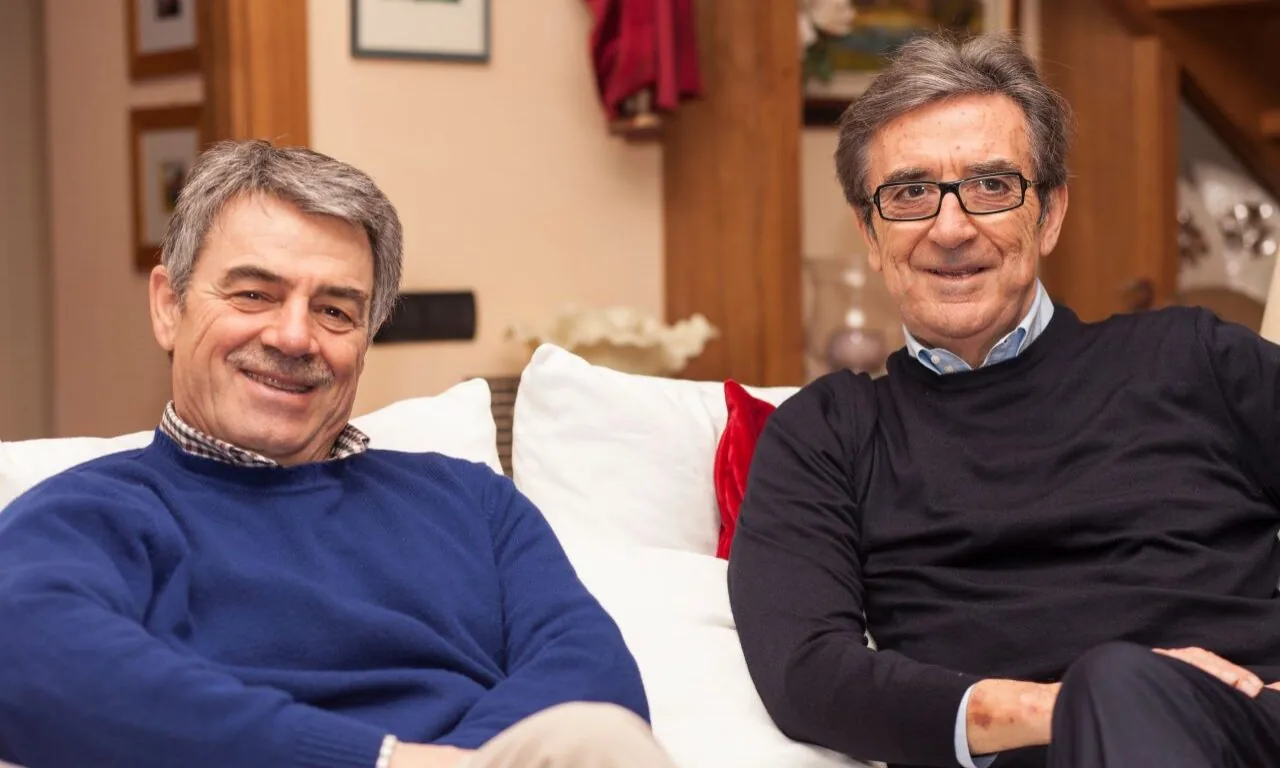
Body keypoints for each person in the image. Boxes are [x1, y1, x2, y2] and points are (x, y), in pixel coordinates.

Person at [0, 140, 677, 768]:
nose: (294, 336)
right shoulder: (88, 513)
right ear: (169, 307)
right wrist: (374, 761)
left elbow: (592, 673)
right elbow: (27, 653)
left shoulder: (473, 502)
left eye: (335, 310)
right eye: (254, 294)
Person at [727, 33, 1280, 768]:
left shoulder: (1195, 359)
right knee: (1115, 683)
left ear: (1049, 214)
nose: (951, 228)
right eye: (910, 193)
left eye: (992, 186)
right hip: (1042, 750)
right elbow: (807, 674)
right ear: (869, 230)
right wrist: (1058, 703)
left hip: (1248, 728)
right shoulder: (830, 435)